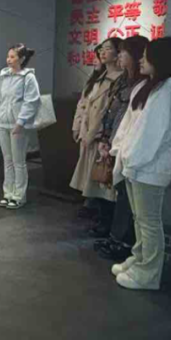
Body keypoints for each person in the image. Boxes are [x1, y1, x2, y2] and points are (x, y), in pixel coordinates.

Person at [108, 36, 171, 290]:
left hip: (148, 168)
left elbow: (152, 135)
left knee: (149, 222)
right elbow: (129, 125)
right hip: (135, 165)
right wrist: (120, 152)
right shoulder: (149, 87)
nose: (141, 59)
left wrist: (130, 157)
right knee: (140, 219)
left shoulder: (165, 94)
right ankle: (140, 259)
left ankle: (149, 272)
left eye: (146, 55)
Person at [94, 35, 149, 262]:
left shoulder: (143, 85)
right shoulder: (124, 80)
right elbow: (112, 111)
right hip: (115, 141)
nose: (119, 56)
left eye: (123, 52)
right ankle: (116, 237)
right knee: (120, 193)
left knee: (128, 200)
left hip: (128, 148)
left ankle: (123, 242)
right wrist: (105, 138)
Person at [70, 41, 121, 221]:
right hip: (89, 133)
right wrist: (78, 127)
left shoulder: (119, 79)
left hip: (100, 136)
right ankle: (92, 207)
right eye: (101, 50)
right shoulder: (98, 78)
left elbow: (107, 111)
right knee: (91, 175)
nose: (102, 53)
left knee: (101, 177)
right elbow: (83, 104)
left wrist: (94, 134)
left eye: (108, 49)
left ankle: (101, 215)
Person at [0, 43, 41, 210]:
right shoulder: (4, 75)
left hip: (18, 125)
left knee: (18, 161)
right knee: (7, 160)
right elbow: (2, 98)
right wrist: (1, 116)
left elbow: (32, 101)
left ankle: (19, 196)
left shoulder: (28, 77)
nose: (9, 60)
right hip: (3, 122)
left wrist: (20, 122)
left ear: (21, 59)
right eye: (8, 56)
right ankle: (8, 193)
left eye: (13, 57)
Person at [71, 44, 105, 219]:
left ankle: (93, 203)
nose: (95, 60)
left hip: (97, 134)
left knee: (96, 170)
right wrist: (76, 126)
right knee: (85, 169)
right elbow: (82, 105)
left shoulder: (111, 81)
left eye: (98, 57)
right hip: (86, 131)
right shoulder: (93, 80)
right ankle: (88, 201)